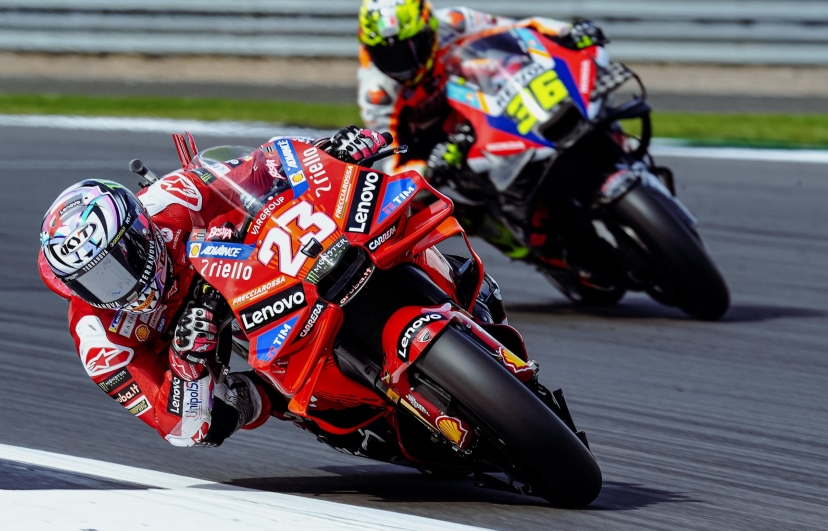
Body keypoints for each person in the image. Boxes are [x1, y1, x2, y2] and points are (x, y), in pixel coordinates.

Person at [38, 126, 388, 447]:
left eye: (124, 260)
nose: (121, 285)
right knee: (214, 421)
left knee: (351, 212)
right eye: (95, 282)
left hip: (253, 265)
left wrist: (326, 151)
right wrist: (185, 364)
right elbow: (177, 430)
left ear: (142, 227)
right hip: (201, 343)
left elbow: (261, 165)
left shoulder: (172, 199)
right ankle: (291, 399)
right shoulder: (98, 339)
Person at [358, 0, 608, 256]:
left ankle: (614, 142)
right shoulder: (377, 93)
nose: (402, 64)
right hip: (440, 144)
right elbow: (394, 162)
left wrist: (566, 31)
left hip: (486, 102)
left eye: (410, 48)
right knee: (424, 204)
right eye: (387, 55)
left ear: (429, 27)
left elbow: (518, 32)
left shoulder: (455, 21)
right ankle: (508, 237)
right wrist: (429, 165)